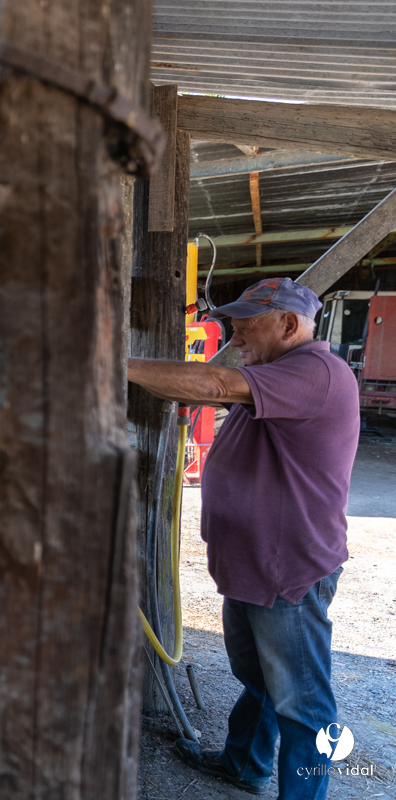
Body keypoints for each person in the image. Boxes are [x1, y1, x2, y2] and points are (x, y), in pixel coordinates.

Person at [127, 277, 359, 800]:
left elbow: (213, 385)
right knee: (259, 679)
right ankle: (245, 764)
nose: (236, 332)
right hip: (255, 564)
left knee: (303, 702)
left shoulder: (315, 372)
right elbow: (190, 386)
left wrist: (111, 366)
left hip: (288, 569)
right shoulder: (276, 372)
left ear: (289, 324)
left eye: (248, 322)